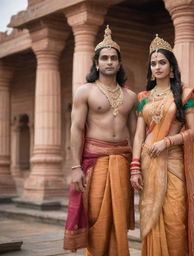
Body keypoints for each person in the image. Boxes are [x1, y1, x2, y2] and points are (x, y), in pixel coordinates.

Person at [130, 35, 194, 256]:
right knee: (151, 219)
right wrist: (134, 167)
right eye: (153, 63)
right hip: (148, 164)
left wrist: (166, 142)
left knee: (175, 218)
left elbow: (193, 132)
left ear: (171, 66)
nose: (157, 67)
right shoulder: (143, 97)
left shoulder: (184, 95)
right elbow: (138, 136)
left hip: (174, 162)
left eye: (162, 62)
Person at [63, 25, 137, 256]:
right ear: (96, 63)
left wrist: (137, 167)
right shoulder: (85, 91)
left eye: (114, 58)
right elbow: (76, 129)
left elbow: (135, 135)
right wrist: (75, 167)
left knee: (118, 217)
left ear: (119, 63)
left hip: (123, 161)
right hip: (95, 161)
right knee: (96, 215)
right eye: (104, 58)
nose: (109, 62)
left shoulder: (131, 96)